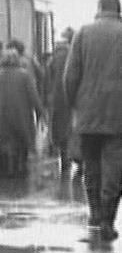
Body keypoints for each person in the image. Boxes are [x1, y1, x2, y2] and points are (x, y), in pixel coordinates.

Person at [64, 0, 122, 241]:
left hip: (87, 114)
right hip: (117, 113)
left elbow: (70, 76)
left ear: (99, 8)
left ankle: (94, 214)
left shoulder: (83, 33)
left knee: (91, 166)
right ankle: (108, 221)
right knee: (114, 168)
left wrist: (75, 104)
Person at [0, 50, 45, 178]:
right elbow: (33, 95)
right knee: (22, 139)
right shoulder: (25, 76)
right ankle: (21, 166)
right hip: (22, 114)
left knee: (8, 141)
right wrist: (40, 111)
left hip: (3, 113)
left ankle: (10, 167)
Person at [47, 27, 76, 172]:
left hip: (56, 97)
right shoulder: (74, 55)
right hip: (71, 97)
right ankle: (70, 158)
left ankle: (61, 155)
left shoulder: (54, 58)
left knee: (58, 126)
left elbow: (48, 78)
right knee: (71, 128)